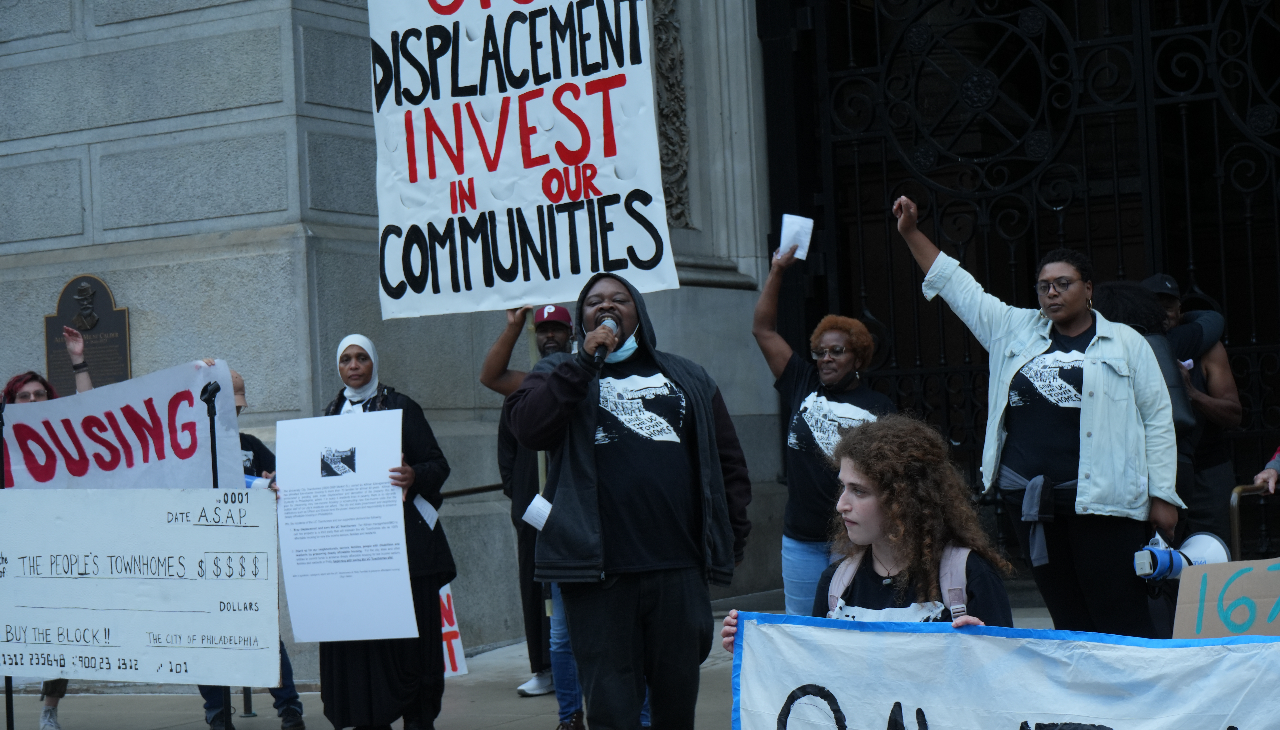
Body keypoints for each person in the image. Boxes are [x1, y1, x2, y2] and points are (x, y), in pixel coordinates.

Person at [892, 196, 1180, 639]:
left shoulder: (1125, 342)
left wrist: (1162, 495)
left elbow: (1158, 420)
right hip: (1032, 505)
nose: (1052, 292)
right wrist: (912, 232)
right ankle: (1082, 704)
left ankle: (1129, 703)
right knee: (1065, 614)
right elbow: (958, 286)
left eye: (1063, 283)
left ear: (1088, 289)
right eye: (1044, 285)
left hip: (1105, 503)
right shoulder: (1014, 329)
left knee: (1119, 613)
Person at [504, 273, 752, 730]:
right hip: (598, 576)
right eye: (595, 301)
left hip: (676, 569)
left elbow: (728, 463)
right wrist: (581, 363)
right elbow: (529, 428)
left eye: (620, 298)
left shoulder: (687, 376)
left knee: (675, 709)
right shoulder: (556, 374)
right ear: (582, 318)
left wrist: (729, 536)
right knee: (612, 711)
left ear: (639, 311)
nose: (607, 305)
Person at [720, 415, 1013, 650]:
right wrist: (756, 650)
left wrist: (988, 648)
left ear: (903, 499)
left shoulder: (969, 576)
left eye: (859, 491)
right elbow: (815, 678)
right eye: (843, 487)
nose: (841, 505)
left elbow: (1012, 685)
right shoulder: (836, 584)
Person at [318, 336, 455, 730]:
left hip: (405, 551)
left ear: (374, 363)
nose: (354, 365)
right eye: (346, 359)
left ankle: (418, 718)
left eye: (362, 357)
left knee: (412, 644)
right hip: (352, 554)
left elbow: (437, 465)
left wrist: (414, 474)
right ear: (339, 367)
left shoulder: (401, 407)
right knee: (363, 644)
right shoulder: (328, 416)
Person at [752, 243, 896, 615]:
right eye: (820, 351)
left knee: (848, 624)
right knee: (802, 628)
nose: (826, 358)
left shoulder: (879, 407)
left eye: (837, 351)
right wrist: (777, 271)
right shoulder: (802, 382)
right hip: (800, 538)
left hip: (852, 537)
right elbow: (762, 329)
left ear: (858, 357)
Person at [195, 362, 305, 730]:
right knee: (206, 636)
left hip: (247, 557)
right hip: (202, 558)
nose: (236, 412)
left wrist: (273, 483)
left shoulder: (251, 446)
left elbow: (282, 482)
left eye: (239, 407)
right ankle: (217, 710)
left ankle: (289, 706)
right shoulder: (191, 449)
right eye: (230, 406)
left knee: (263, 633)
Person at [2, 327, 92, 730]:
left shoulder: (62, 433)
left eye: (40, 395)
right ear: (11, 403)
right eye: (25, 396)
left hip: (58, 541)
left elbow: (94, 409)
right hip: (12, 542)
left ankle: (49, 708)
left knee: (61, 630)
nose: (34, 401)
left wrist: (78, 359)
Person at [1143, 274, 1242, 541]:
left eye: (1168, 305)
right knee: (1160, 561)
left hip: (1207, 469)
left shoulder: (1207, 347)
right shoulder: (1131, 347)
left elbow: (1234, 414)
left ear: (1180, 310)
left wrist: (1192, 394)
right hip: (1154, 471)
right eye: (1154, 305)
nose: (1162, 313)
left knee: (1215, 550)